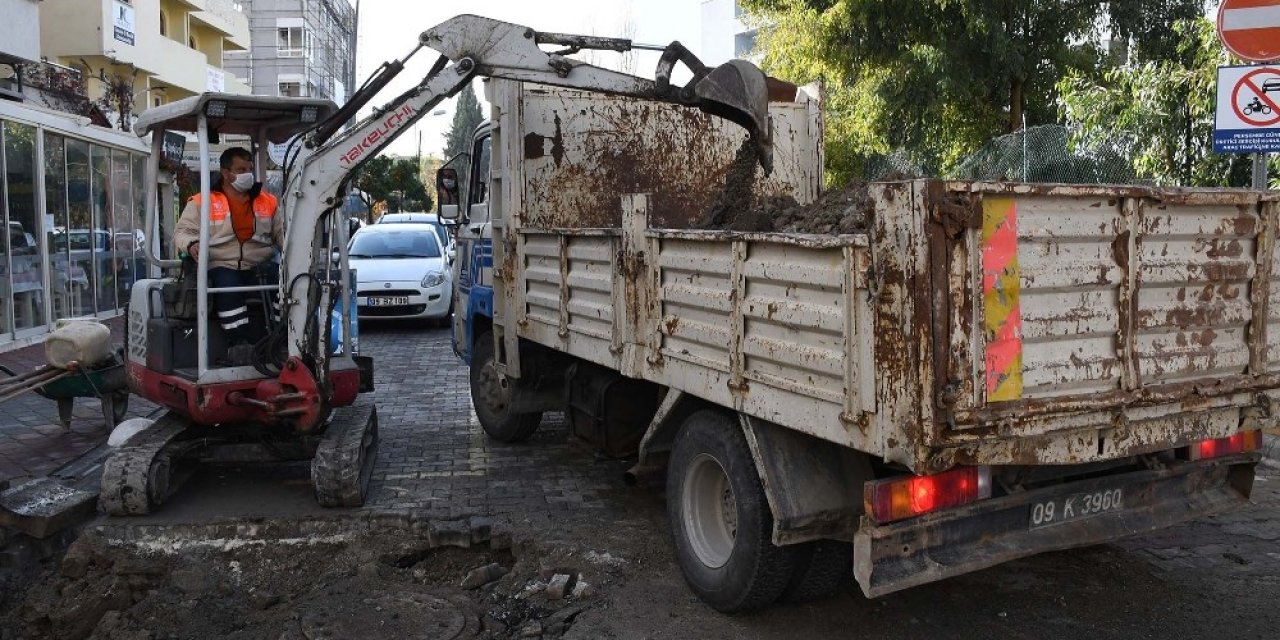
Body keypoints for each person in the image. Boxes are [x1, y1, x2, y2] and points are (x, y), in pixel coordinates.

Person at [173, 147, 283, 365]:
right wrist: (192, 244)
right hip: (222, 263)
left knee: (284, 282)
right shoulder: (201, 201)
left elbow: (282, 233)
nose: (247, 174)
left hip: (259, 264)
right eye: (240, 169)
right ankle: (240, 344)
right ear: (225, 173)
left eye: (249, 169)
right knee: (228, 285)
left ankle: (283, 338)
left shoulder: (267, 201)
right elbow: (182, 232)